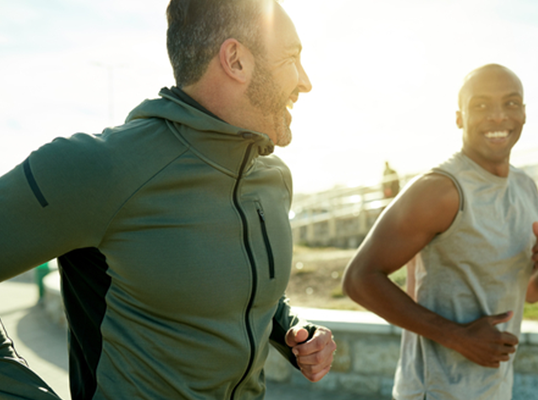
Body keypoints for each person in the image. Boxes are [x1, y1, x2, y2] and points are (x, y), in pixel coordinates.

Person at [0, 0, 336, 399]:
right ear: (236, 60)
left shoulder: (272, 178)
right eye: (291, 59)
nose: (305, 82)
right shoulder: (98, 168)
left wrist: (293, 331)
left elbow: (239, 289)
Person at [342, 64, 538, 400]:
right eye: (481, 104)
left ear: (523, 113)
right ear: (459, 118)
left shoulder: (526, 188)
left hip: (495, 390)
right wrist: (457, 337)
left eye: (510, 103)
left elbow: (527, 293)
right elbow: (359, 279)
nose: (498, 116)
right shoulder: (441, 190)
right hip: (435, 391)